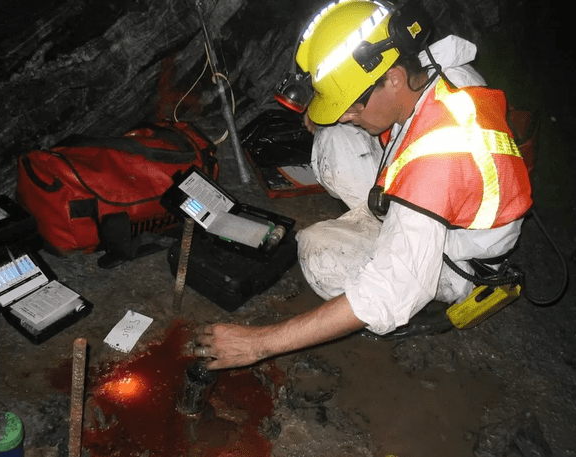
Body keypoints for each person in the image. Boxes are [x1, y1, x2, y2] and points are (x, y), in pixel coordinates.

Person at [193, 0, 532, 370]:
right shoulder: (434, 68)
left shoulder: (438, 160)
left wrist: (259, 343)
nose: (347, 114)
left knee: (319, 252)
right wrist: (329, 112)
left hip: (460, 256)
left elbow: (384, 290)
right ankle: (389, 236)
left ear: (394, 79)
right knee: (331, 136)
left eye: (354, 105)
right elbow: (375, 118)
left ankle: (428, 302)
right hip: (440, 200)